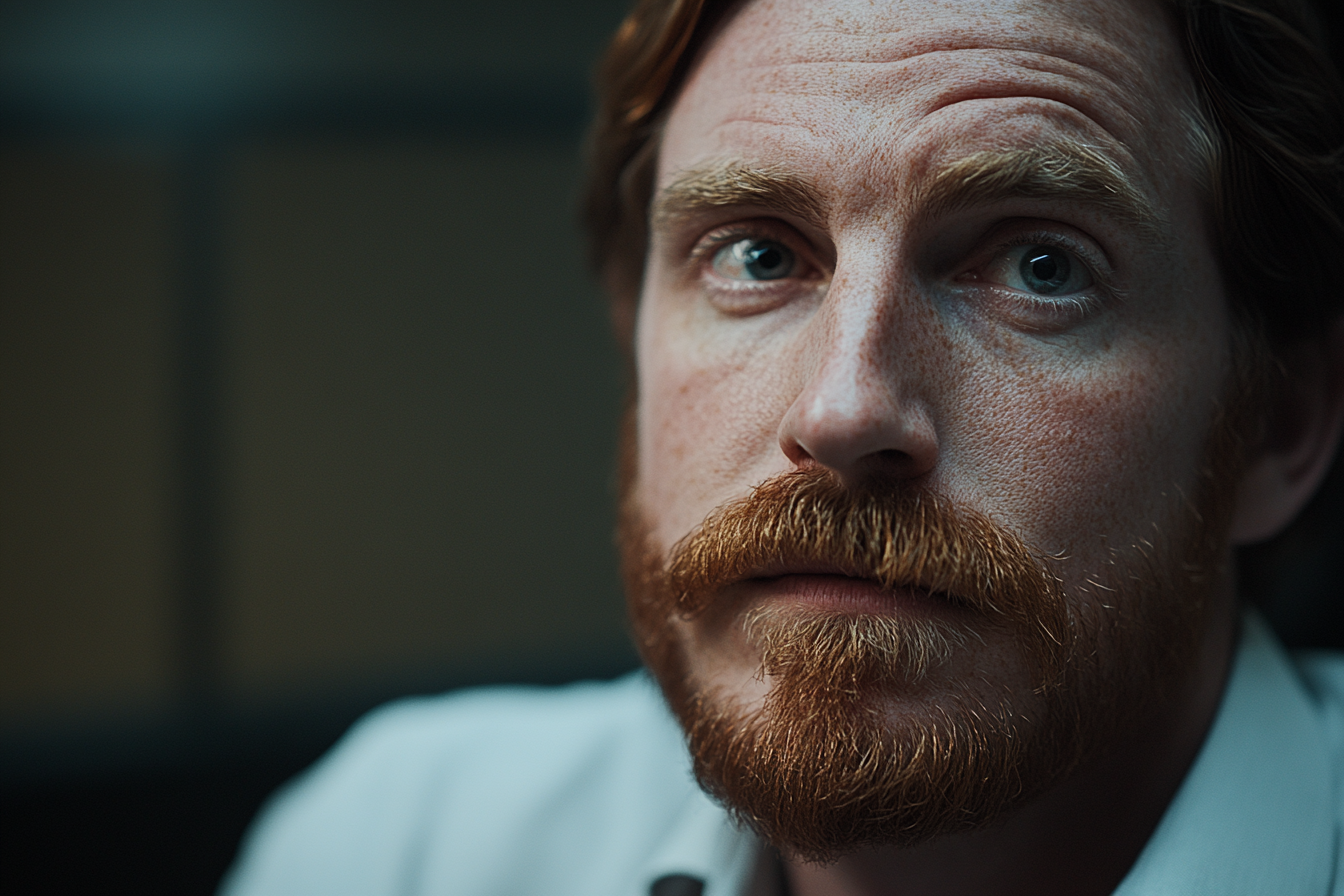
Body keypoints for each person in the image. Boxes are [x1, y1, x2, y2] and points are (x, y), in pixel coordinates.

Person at [221, 0, 1344, 893]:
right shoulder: (397, 845)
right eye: (757, 255)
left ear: (1280, 421)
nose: (846, 409)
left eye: (1039, 266)